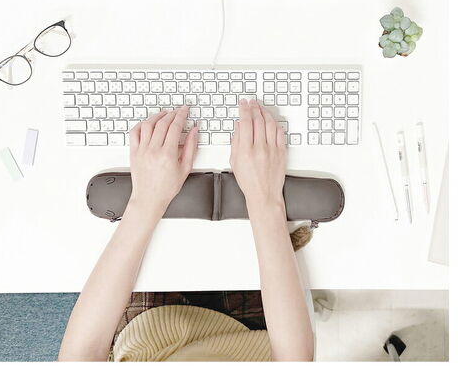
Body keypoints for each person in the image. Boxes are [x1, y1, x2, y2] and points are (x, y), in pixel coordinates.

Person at [58, 99, 314, 362]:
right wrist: (266, 199)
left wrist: (145, 200)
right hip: (247, 334)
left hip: (150, 332)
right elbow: (294, 359)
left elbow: (81, 353)